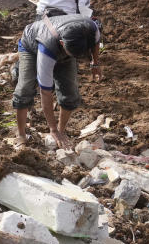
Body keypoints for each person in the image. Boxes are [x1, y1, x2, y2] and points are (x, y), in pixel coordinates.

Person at [12, 14, 101, 150]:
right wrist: (51, 129)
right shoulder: (46, 48)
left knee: (70, 92)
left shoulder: (90, 28)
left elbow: (95, 42)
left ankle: (62, 131)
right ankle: (21, 134)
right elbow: (45, 92)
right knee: (25, 89)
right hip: (31, 45)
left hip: (63, 46)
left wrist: (95, 63)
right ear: (62, 44)